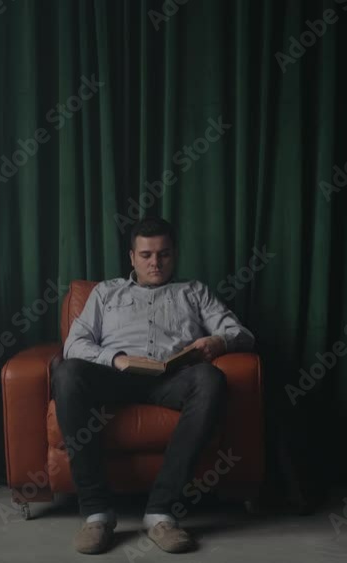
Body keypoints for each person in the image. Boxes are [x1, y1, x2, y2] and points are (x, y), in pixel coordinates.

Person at [54, 217, 255, 554]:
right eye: (146, 255)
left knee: (211, 378)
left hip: (172, 379)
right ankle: (96, 514)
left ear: (174, 255)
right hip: (114, 376)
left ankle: (161, 513)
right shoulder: (106, 292)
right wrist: (116, 358)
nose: (155, 263)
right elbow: (74, 344)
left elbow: (243, 334)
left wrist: (219, 342)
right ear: (132, 256)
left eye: (163, 254)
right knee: (67, 373)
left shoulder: (194, 292)